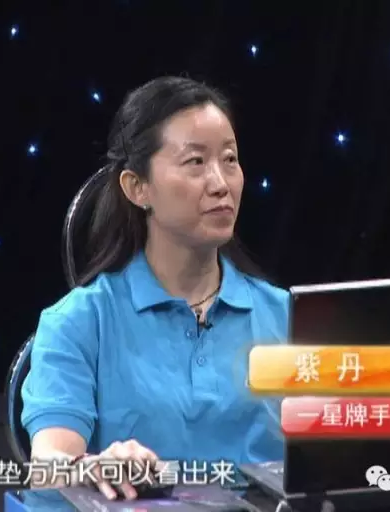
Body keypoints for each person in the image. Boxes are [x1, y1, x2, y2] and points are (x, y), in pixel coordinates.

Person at [21, 76, 289, 500]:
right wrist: (94, 465)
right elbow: (49, 464)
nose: (221, 183)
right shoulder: (78, 322)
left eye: (230, 159)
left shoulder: (286, 316)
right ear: (137, 187)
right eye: (196, 162)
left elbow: (341, 459)